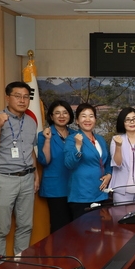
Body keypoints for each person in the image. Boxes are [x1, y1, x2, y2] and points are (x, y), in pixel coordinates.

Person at [0, 81, 39, 268]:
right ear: (7, 98)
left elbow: (30, 150)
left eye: (25, 97)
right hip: (4, 179)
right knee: (1, 228)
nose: (22, 100)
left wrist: (36, 173)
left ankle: (20, 267)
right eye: (17, 96)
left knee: (25, 226)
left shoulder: (31, 122)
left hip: (27, 178)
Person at [64, 103, 112, 219]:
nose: (87, 119)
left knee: (102, 231)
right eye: (83, 116)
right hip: (82, 194)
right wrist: (78, 146)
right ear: (77, 121)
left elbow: (108, 161)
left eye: (91, 116)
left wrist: (109, 174)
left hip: (101, 192)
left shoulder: (100, 139)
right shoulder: (72, 139)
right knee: (84, 232)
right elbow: (69, 164)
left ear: (95, 119)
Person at [37, 100, 76, 233]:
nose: (61, 116)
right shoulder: (44, 135)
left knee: (76, 224)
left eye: (65, 112)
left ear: (70, 115)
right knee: (59, 225)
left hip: (75, 186)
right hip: (55, 187)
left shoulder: (76, 135)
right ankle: (59, 253)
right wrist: (48, 140)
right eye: (57, 113)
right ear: (51, 116)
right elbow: (44, 161)